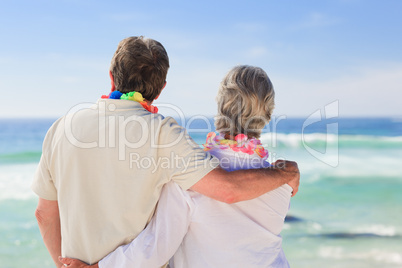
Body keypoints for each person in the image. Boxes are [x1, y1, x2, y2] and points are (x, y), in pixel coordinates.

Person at [33, 36, 299, 268]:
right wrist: (286, 171)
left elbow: (43, 214)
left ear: (112, 77)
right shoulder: (279, 182)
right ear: (161, 88)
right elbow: (228, 190)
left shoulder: (62, 127)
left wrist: (67, 265)